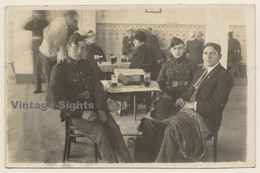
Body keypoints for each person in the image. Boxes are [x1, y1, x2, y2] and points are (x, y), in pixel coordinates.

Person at [137, 42, 233, 162]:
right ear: (202, 55)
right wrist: (182, 98)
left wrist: (192, 105)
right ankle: (146, 160)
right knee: (150, 120)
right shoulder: (201, 72)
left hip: (206, 118)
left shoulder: (223, 75)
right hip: (187, 111)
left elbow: (216, 106)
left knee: (171, 128)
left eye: (213, 54)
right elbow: (189, 92)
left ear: (220, 56)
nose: (208, 57)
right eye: (205, 53)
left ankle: (161, 165)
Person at [49, 32, 132, 163]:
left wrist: (101, 109)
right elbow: (58, 101)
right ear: (68, 47)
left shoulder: (86, 64)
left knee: (114, 129)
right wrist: (82, 112)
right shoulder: (58, 70)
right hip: (75, 114)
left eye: (82, 48)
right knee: (101, 134)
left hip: (95, 108)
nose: (79, 51)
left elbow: (97, 87)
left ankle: (129, 166)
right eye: (75, 47)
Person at [39, 10, 79, 102]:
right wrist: (51, 53)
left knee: (54, 77)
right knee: (51, 78)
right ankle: (50, 102)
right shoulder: (60, 24)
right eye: (74, 20)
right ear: (69, 17)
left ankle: (53, 100)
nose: (74, 22)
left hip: (48, 53)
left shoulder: (62, 22)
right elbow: (49, 38)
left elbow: (45, 30)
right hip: (46, 54)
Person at [157, 36, 197, 102]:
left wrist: (188, 96)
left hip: (187, 95)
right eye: (174, 48)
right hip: (170, 94)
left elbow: (195, 83)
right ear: (170, 50)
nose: (177, 51)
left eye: (180, 48)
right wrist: (164, 95)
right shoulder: (166, 65)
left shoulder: (192, 65)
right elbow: (160, 83)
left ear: (184, 49)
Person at [24, 10, 48, 93]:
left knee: (46, 66)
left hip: (43, 44)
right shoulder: (32, 22)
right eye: (33, 14)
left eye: (37, 14)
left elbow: (49, 27)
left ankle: (49, 87)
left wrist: (40, 18)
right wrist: (31, 19)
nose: (35, 15)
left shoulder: (44, 22)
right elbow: (25, 27)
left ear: (40, 14)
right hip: (35, 46)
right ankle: (38, 88)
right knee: (36, 67)